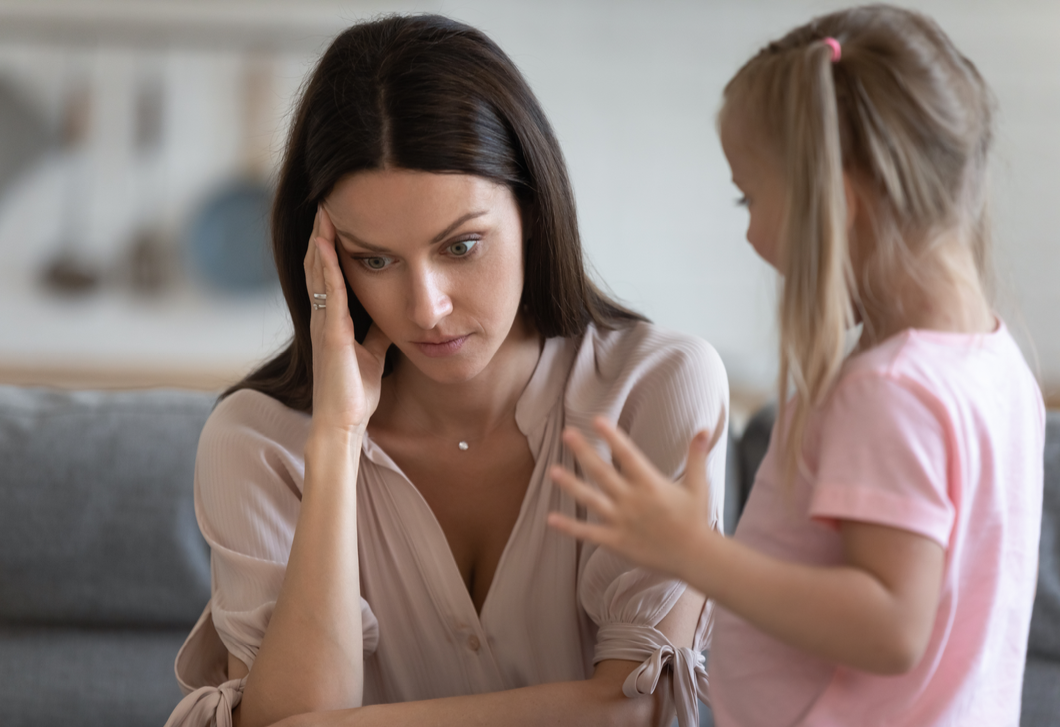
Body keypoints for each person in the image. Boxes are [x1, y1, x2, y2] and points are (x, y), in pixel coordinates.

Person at [164, 14, 729, 727]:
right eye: (375, 259)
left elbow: (636, 712)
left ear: (532, 209)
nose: (426, 308)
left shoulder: (659, 386)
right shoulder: (258, 439)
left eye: (461, 246)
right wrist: (337, 440)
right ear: (325, 261)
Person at [548, 5, 1045, 726]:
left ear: (837, 205)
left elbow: (890, 626)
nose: (749, 232)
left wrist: (692, 553)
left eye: (750, 197)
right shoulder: (998, 365)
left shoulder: (891, 390)